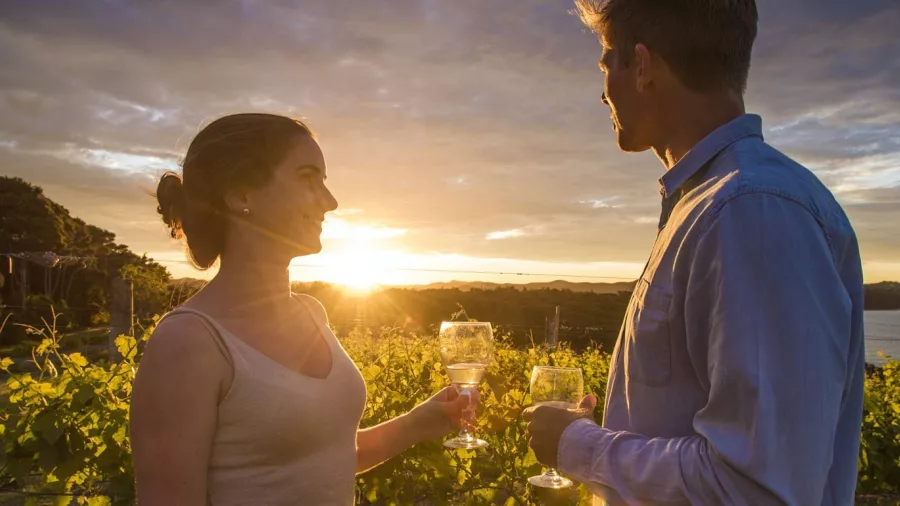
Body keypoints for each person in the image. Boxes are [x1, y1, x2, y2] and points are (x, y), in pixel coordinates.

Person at [524, 1, 865, 505]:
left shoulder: (751, 211)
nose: (602, 94)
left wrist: (577, 445)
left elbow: (756, 489)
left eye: (604, 65)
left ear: (641, 66)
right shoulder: (717, 206)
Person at [130, 113, 473, 505]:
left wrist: (417, 422)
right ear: (242, 194)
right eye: (308, 178)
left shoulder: (312, 313)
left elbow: (323, 459)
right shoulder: (189, 342)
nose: (329, 201)